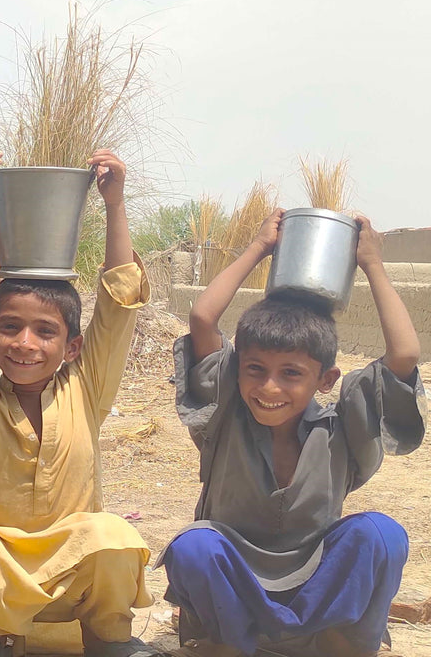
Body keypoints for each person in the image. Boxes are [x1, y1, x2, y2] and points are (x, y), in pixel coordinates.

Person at [0, 151, 159, 657]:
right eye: (10, 327)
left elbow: (118, 301)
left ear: (73, 347)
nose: (25, 343)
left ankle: (107, 638)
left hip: (73, 575)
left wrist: (114, 204)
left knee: (113, 533)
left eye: (46, 332)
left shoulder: (86, 388)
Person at [156, 209, 425, 657]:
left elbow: (405, 354)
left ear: (326, 379)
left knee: (381, 532)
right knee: (194, 545)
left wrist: (373, 265)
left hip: (317, 588)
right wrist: (260, 247)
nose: (269, 388)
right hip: (234, 594)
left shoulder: (344, 428)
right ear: (237, 370)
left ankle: (342, 644)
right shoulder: (225, 416)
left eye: (291, 374)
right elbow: (203, 318)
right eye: (255, 370)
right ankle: (232, 646)